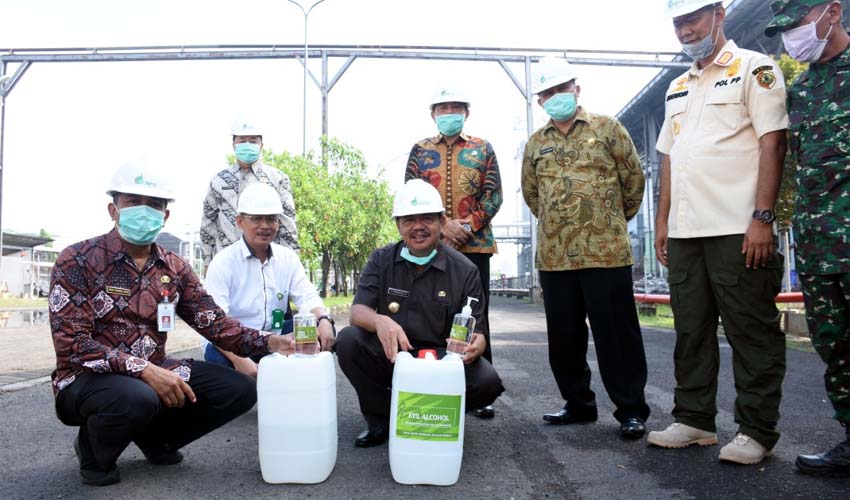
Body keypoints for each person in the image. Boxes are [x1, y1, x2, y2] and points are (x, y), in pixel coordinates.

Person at [49, 162, 294, 486]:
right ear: (113, 209)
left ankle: (157, 439)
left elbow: (215, 323)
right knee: (137, 396)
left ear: (165, 216)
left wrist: (270, 342)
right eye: (134, 202)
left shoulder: (173, 267)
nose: (144, 211)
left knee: (239, 389)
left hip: (156, 369)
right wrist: (144, 370)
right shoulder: (77, 259)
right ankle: (94, 452)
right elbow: (73, 344)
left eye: (154, 205)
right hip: (87, 379)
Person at [648, 0, 789, 465]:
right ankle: (695, 420)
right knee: (690, 330)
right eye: (678, 23)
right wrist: (663, 222)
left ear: (719, 15)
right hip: (687, 232)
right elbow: (669, 158)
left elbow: (773, 140)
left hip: (737, 227)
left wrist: (762, 218)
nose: (686, 30)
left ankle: (757, 430)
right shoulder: (676, 87)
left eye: (693, 19)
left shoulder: (755, 68)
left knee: (751, 331)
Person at [521, 56, 650, 440]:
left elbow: (633, 181)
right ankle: (578, 404)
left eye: (562, 89)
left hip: (605, 253)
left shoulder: (607, 129)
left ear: (576, 88)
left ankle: (630, 410)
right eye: (547, 92)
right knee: (564, 337)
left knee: (616, 335)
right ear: (540, 99)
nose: (555, 97)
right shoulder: (535, 143)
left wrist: (608, 223)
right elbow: (532, 195)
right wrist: (559, 225)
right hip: (555, 256)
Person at [334, 179, 505, 447]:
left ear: (441, 222)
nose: (418, 227)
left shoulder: (465, 270)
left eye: (427, 218)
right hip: (393, 355)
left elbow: (478, 331)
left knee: (487, 381)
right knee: (348, 340)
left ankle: (430, 414)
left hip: (440, 361)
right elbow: (358, 312)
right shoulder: (381, 259)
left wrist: (478, 343)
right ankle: (382, 419)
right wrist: (380, 321)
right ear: (398, 225)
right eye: (409, 220)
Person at [765, 0, 850, 476]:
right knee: (835, 347)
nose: (792, 37)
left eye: (798, 24)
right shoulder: (802, 89)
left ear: (832, 12)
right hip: (818, 245)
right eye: (785, 29)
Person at [405, 84, 503, 419]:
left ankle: (480, 390)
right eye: (443, 108)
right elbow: (411, 192)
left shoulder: (482, 148)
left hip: (475, 245)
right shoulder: (420, 150)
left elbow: (494, 195)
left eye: (456, 107)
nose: (450, 113)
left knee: (476, 315)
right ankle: (431, 380)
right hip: (430, 244)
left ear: (467, 112)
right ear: (433, 113)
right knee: (431, 311)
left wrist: (469, 226)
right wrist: (443, 225)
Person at [203, 183, 335, 378]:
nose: (265, 226)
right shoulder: (223, 263)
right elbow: (214, 325)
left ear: (278, 223)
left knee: (322, 329)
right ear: (239, 221)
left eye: (271, 219)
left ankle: (304, 384)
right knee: (219, 359)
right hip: (236, 342)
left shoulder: (287, 258)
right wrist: (240, 360)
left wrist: (323, 320)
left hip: (275, 336)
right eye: (256, 219)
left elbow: (307, 297)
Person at [199, 118, 299, 270]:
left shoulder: (278, 179)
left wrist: (292, 261)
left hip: (267, 263)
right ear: (234, 145)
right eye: (242, 140)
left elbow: (287, 223)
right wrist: (207, 261)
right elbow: (208, 222)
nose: (247, 145)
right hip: (227, 264)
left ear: (261, 145)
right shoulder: (218, 181)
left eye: (253, 141)